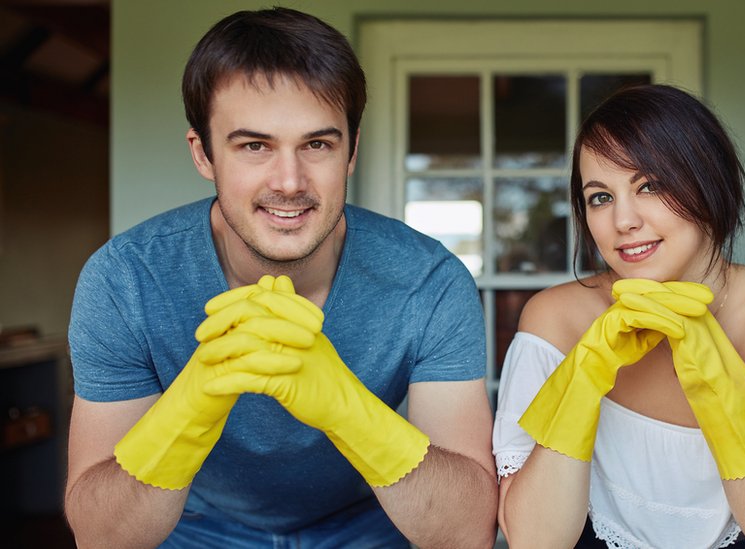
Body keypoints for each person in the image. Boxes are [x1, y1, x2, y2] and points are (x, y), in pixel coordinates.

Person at [64, 8, 497, 548]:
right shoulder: (124, 280)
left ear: (351, 151)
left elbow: (466, 533)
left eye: (317, 144)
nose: (289, 182)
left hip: (372, 517)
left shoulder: (429, 282)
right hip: (189, 522)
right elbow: (99, 537)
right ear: (203, 153)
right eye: (254, 146)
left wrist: (348, 407)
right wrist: (189, 408)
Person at [492, 84, 745, 548]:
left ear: (710, 181)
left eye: (649, 185)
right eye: (600, 197)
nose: (623, 221)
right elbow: (534, 541)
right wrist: (583, 380)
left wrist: (718, 384)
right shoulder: (556, 318)